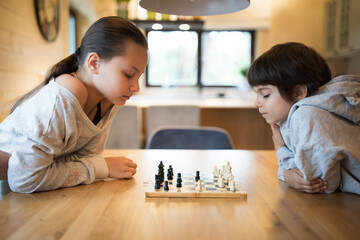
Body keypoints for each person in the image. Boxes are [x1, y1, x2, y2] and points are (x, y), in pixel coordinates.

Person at [0, 16, 148, 193]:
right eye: (129, 74)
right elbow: (25, 179)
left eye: (138, 76)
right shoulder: (65, 96)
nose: (136, 87)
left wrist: (89, 165)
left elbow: (84, 158)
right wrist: (103, 168)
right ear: (94, 63)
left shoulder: (110, 100)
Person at [247, 42, 360, 194]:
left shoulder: (308, 115)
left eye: (265, 94)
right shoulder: (304, 113)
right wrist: (287, 172)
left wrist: (281, 150)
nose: (257, 103)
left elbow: (317, 183)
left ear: (298, 93)